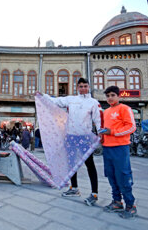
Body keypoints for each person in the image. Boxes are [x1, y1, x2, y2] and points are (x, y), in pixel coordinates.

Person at [42, 78, 102, 206]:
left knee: (90, 164)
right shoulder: (71, 100)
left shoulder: (93, 102)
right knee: (71, 163)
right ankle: (74, 188)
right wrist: (42, 96)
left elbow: (98, 119)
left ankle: (94, 193)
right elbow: (55, 101)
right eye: (80, 86)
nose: (83, 89)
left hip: (85, 137)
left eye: (85, 86)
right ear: (77, 88)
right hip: (71, 136)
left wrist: (101, 131)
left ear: (89, 86)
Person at [100, 86, 137, 219]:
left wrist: (113, 132)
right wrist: (101, 136)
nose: (110, 98)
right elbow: (105, 129)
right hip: (107, 148)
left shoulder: (125, 109)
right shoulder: (106, 112)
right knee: (111, 175)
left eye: (112, 95)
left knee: (122, 175)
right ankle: (117, 202)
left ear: (118, 96)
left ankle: (130, 205)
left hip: (120, 148)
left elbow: (131, 127)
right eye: (108, 96)